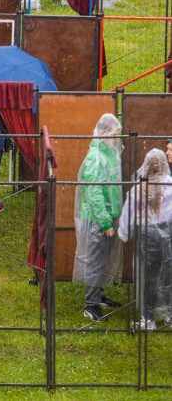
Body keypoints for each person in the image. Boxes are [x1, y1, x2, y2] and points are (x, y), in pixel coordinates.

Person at [73, 113, 123, 322]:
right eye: (114, 135)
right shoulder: (95, 157)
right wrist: (104, 222)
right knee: (95, 261)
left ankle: (98, 295)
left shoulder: (110, 153)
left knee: (103, 260)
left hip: (109, 216)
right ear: (102, 133)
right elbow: (93, 193)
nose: (116, 139)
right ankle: (90, 305)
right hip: (97, 219)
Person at [119, 149, 172, 330]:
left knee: (147, 277)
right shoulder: (170, 185)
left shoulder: (139, 188)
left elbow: (128, 214)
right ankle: (169, 315)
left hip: (147, 236)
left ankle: (147, 319)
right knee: (168, 275)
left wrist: (124, 233)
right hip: (168, 235)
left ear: (146, 165)